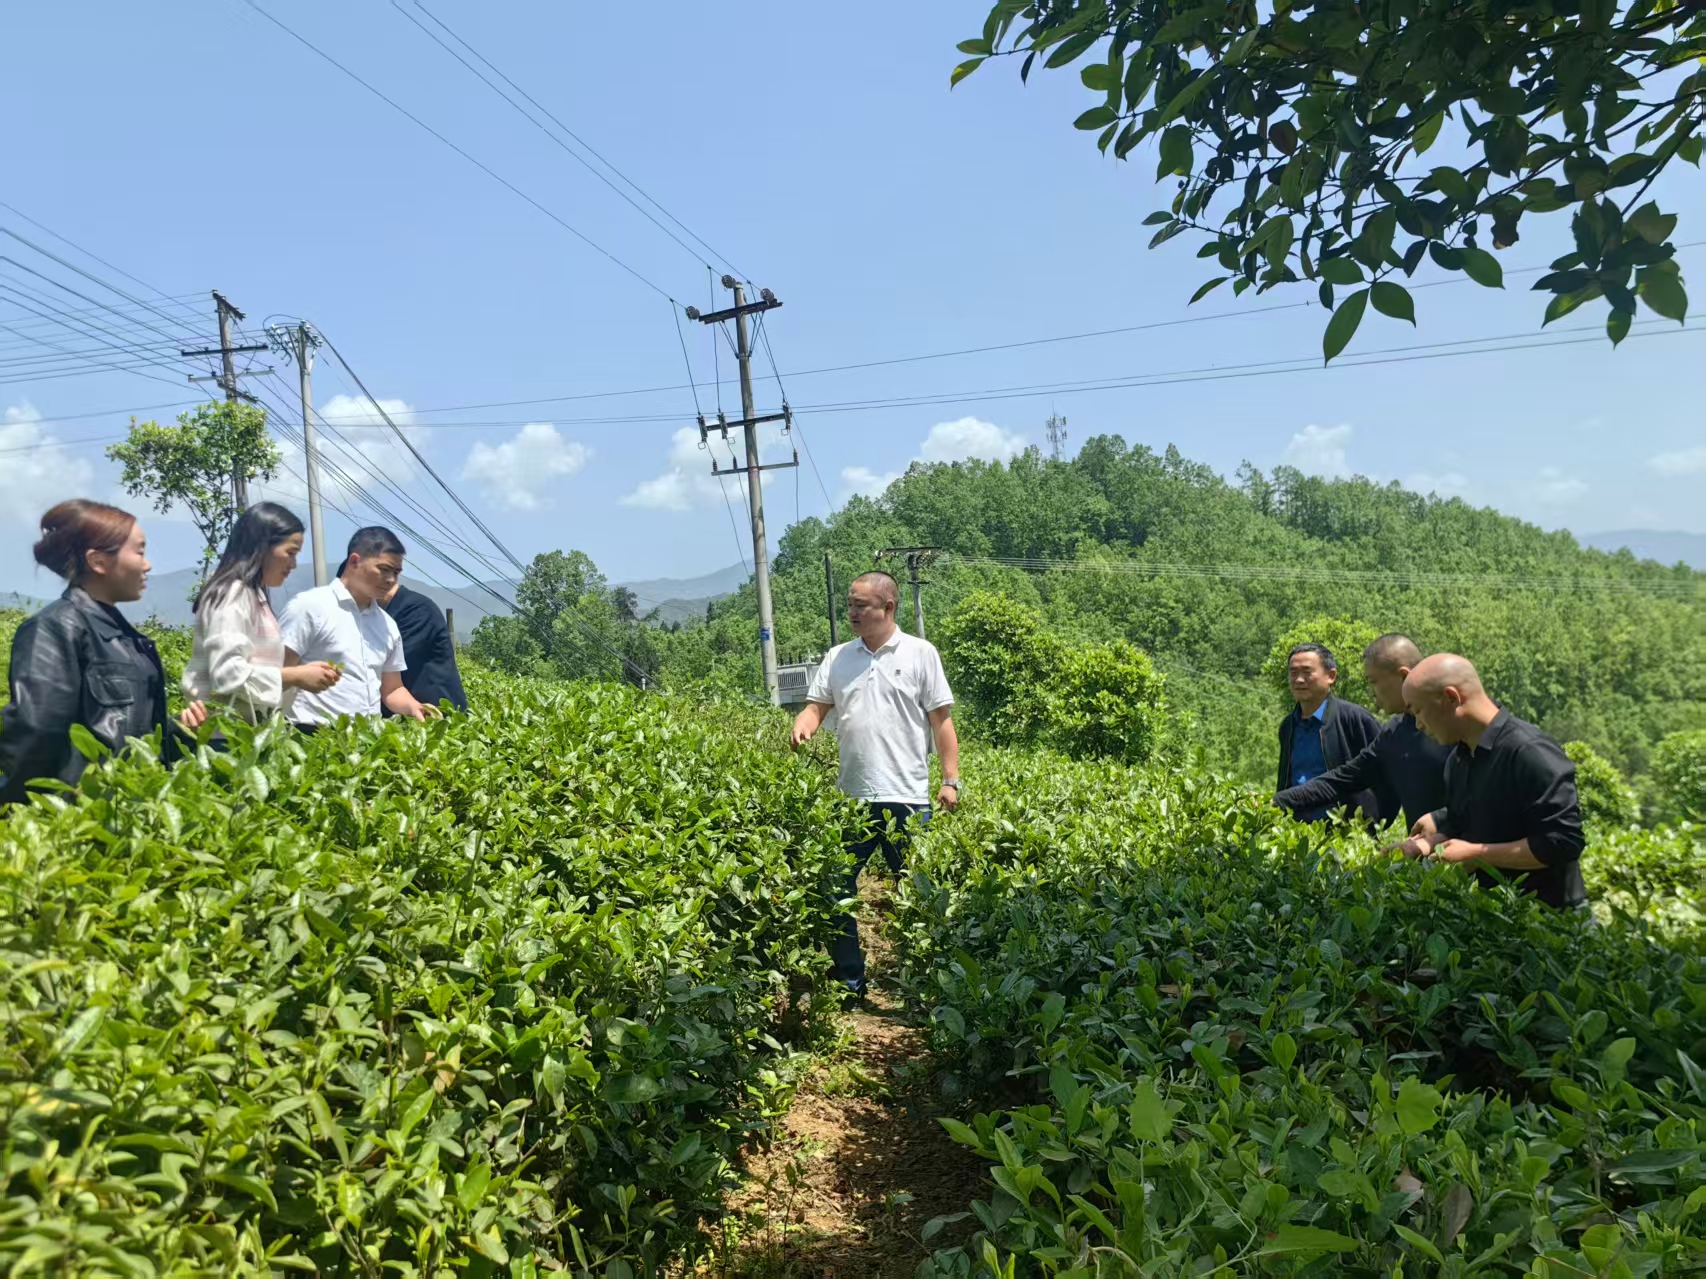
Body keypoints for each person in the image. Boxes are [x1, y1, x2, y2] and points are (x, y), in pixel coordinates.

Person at [789, 571, 960, 1003]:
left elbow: (942, 722)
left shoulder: (921, 654)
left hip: (907, 798)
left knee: (916, 894)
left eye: (861, 605)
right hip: (852, 799)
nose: (852, 612)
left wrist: (950, 780)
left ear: (888, 607)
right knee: (835, 889)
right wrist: (803, 725)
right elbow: (817, 707)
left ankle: (919, 986)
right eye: (849, 604)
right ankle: (850, 983)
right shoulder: (838, 657)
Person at [1, 500, 208, 805]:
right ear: (98, 561)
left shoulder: (127, 637)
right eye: (139, 551)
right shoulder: (55, 627)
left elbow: (124, 729)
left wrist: (175, 729)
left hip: (126, 813)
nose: (147, 564)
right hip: (79, 817)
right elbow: (35, 732)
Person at [1398, 653, 1587, 910]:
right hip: (1495, 916)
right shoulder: (1459, 759)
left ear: (1451, 698)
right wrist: (1424, 845)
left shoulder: (1529, 751)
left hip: (1554, 920)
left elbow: (1563, 842)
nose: (1418, 724)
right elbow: (1464, 825)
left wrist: (1478, 855)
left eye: (1418, 711)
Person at [181, 502, 342, 723]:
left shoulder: (253, 596)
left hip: (246, 734)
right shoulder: (231, 594)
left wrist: (303, 673)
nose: (293, 565)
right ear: (262, 547)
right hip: (222, 738)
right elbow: (227, 675)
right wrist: (295, 676)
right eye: (290, 553)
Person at [1275, 634, 1452, 832]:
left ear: (1403, 676)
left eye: (1373, 681)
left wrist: (1369, 827)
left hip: (1474, 857)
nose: (1371, 692)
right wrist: (1275, 802)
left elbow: (1481, 801)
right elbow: (1341, 780)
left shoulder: (1456, 728)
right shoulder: (1394, 733)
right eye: (1293, 672)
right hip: (1426, 855)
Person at [278, 526, 429, 729]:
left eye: (396, 572)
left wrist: (413, 707)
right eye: (383, 569)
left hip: (368, 740)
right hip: (311, 736)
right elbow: (276, 673)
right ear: (355, 561)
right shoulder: (310, 607)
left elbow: (392, 689)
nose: (391, 580)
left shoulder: (387, 625)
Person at [1275, 642, 1382, 823]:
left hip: (1345, 834)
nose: (1299, 680)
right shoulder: (1289, 726)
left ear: (1331, 676)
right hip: (1296, 832)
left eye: (1307, 672)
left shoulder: (1354, 719)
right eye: (1293, 673)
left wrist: (1372, 822)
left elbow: (1383, 773)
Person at [382, 582, 467, 714]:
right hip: (412, 715)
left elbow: (379, 664)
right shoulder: (386, 613)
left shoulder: (416, 611)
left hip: (439, 718)